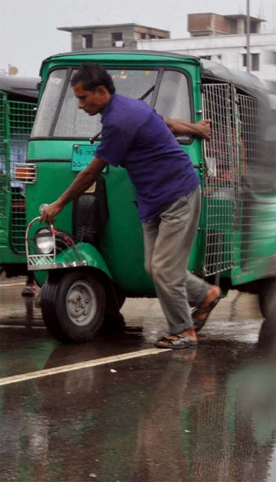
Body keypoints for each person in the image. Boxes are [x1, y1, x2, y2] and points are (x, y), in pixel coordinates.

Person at [40, 62, 221, 349]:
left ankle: (184, 331)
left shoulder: (119, 121)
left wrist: (59, 203)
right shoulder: (129, 107)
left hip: (177, 194)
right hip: (153, 200)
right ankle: (205, 295)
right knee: (153, 267)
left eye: (82, 98)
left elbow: (91, 171)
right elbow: (167, 123)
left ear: (101, 92)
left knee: (164, 269)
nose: (79, 105)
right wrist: (195, 128)